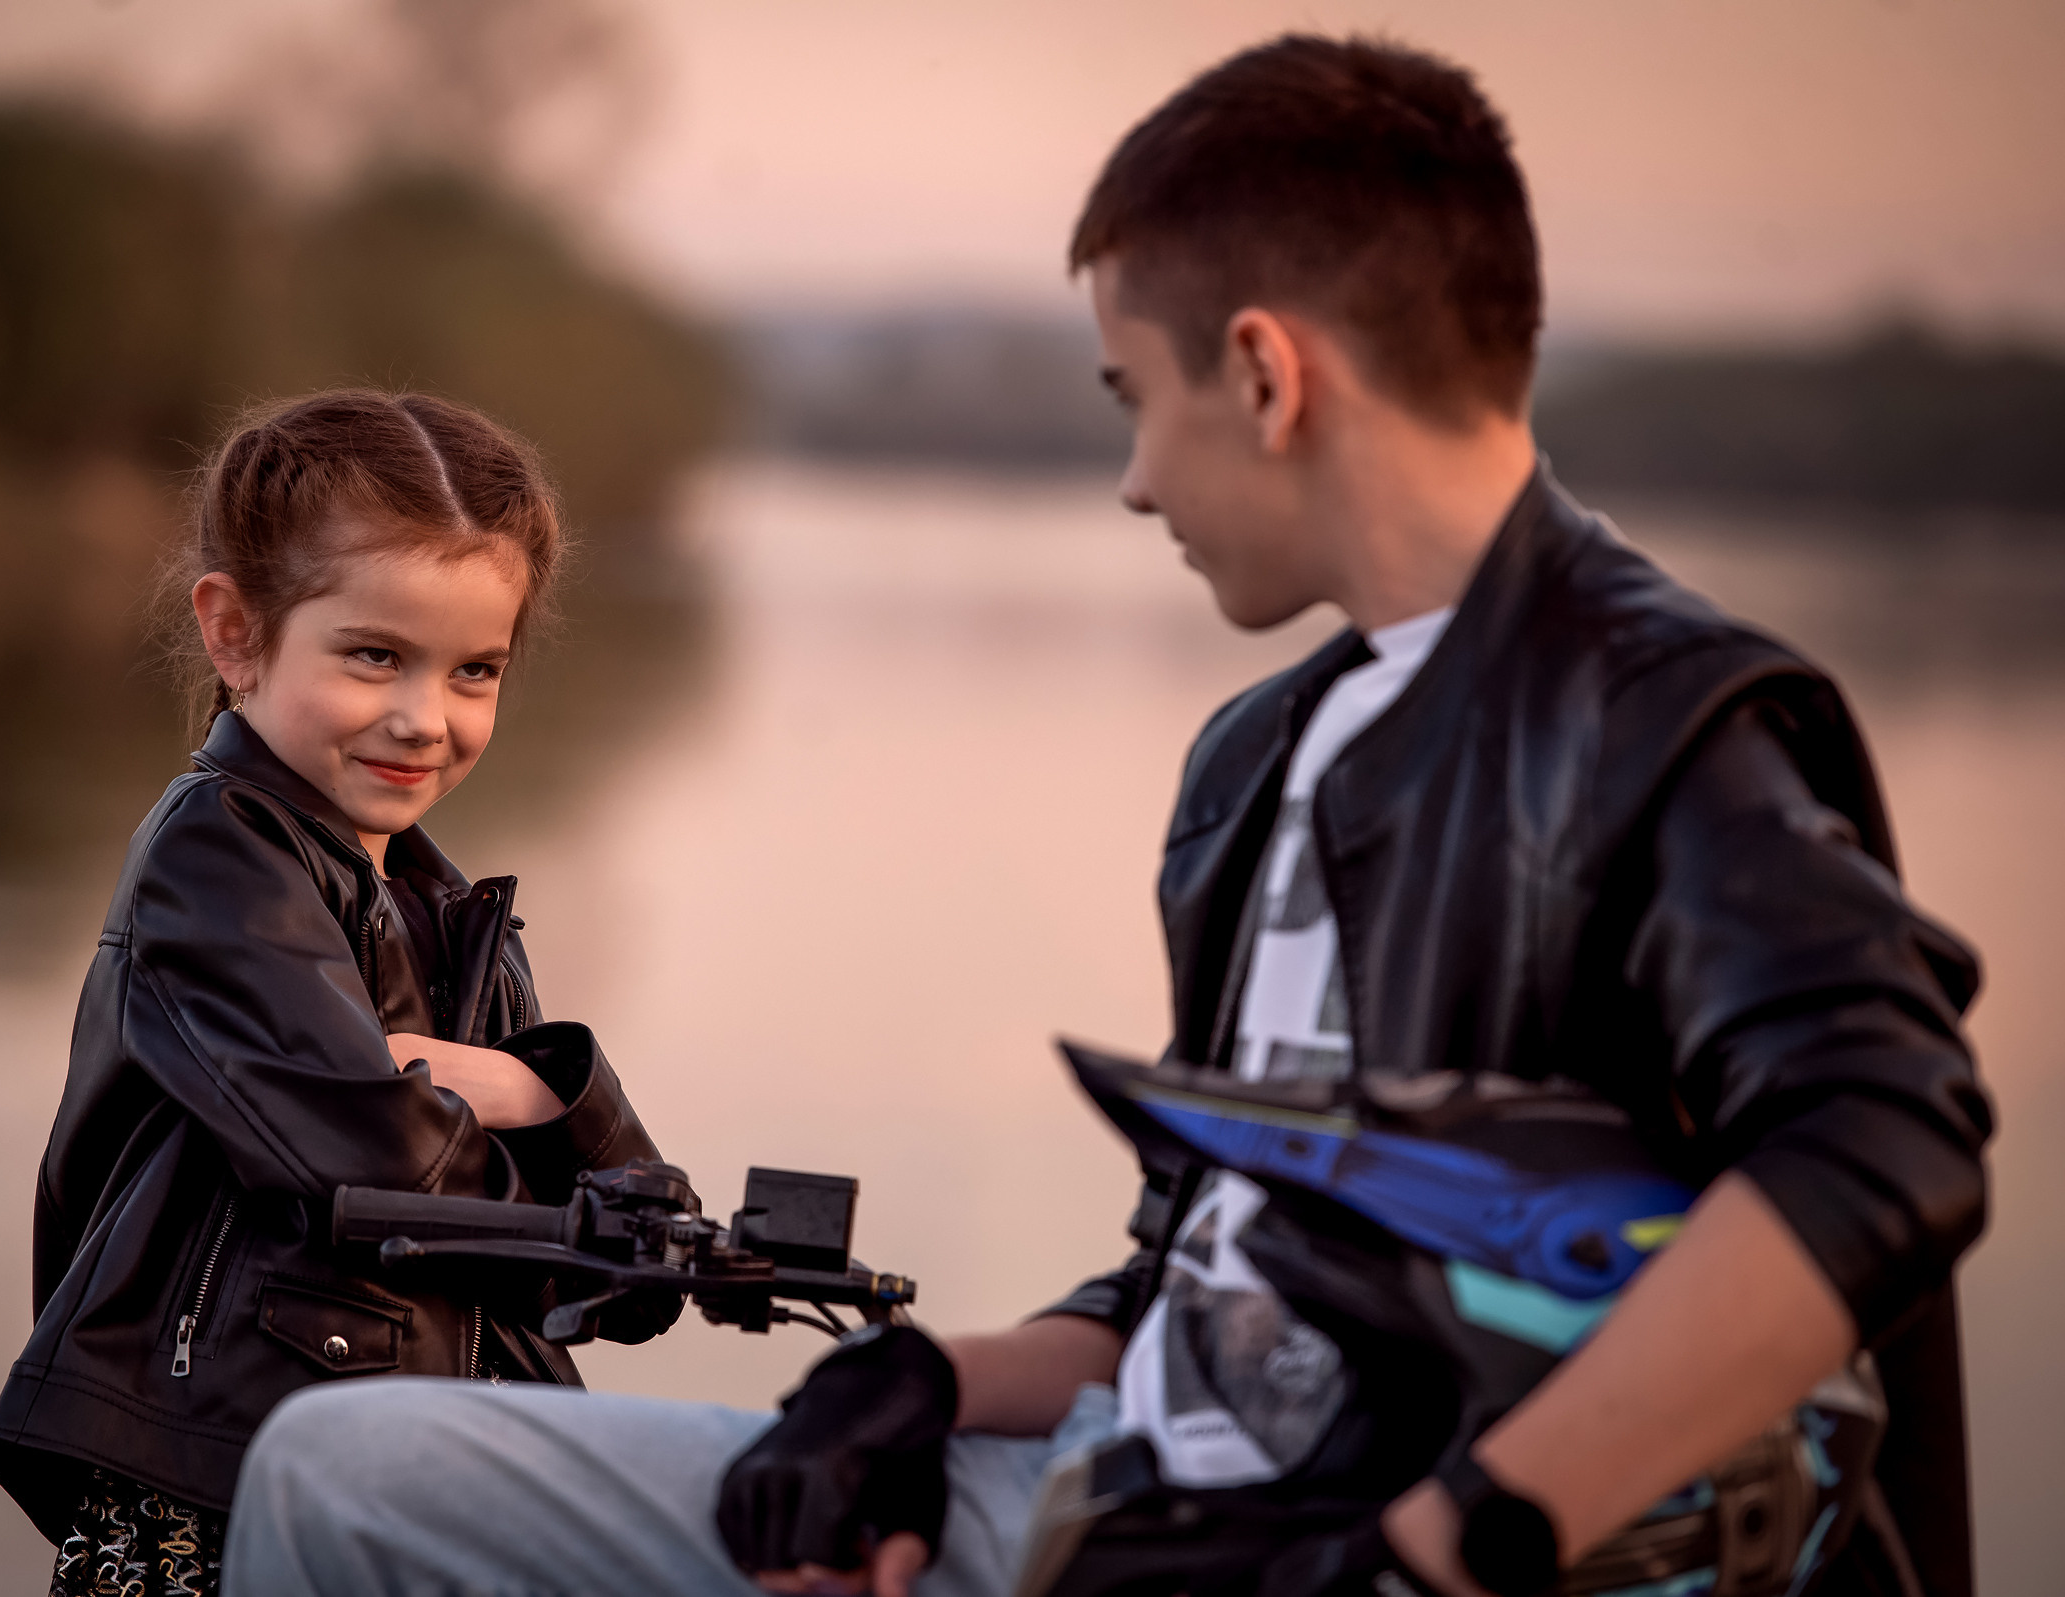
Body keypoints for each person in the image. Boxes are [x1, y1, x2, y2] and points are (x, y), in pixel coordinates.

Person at [219, 37, 1990, 1597]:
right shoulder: (1262, 762)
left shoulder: (1663, 718)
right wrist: (908, 1392)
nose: (1136, 477)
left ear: (1268, 375)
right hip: (1128, 1504)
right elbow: (1204, 1282)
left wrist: (1461, 1540)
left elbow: (1882, 1149)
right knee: (349, 1472)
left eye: (1137, 401)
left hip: (1350, 1543)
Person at [0, 389, 675, 1597]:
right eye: (373, 656)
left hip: (419, 1468)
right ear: (236, 632)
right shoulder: (213, 862)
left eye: (476, 671)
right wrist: (598, 1220)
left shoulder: (445, 908)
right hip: (212, 1477)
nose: (425, 718)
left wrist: (545, 1085)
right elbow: (385, 1163)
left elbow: (642, 1259)